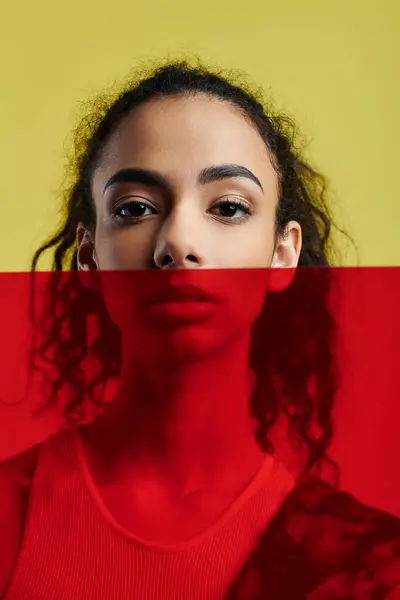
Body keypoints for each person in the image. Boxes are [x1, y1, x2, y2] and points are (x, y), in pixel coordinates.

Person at [0, 59, 399, 599]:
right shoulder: (9, 515)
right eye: (136, 208)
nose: (178, 242)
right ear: (88, 256)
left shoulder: (369, 567)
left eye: (229, 208)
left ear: (283, 254)